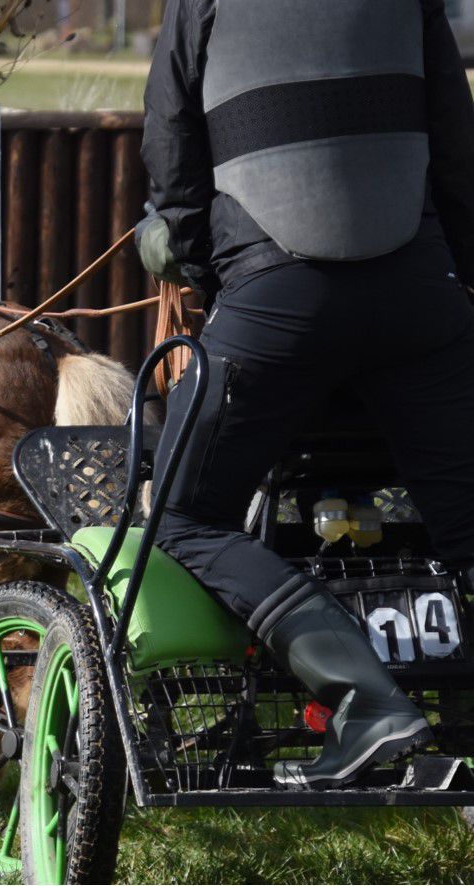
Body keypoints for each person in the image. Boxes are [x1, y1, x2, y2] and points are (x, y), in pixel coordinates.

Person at [137, 0, 474, 790]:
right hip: (419, 297)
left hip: (275, 300)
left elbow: (172, 161)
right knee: (465, 524)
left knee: (179, 513)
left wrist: (214, 276)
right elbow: (455, 152)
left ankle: (363, 702)